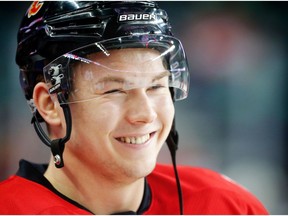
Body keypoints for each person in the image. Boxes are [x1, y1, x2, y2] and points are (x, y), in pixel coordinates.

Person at [0, 1, 268, 214]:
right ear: (49, 104)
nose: (145, 114)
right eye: (114, 90)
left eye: (156, 86)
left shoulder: (227, 205)